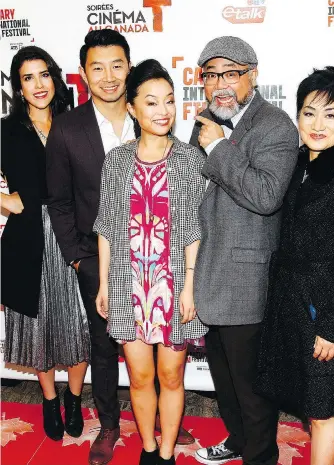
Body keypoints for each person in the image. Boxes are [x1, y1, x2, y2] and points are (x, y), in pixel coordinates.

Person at [255, 67, 334, 465]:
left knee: (324, 413)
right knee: (310, 408)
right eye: (309, 113)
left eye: (330, 114)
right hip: (290, 308)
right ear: (297, 116)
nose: (318, 124)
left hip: (324, 315)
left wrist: (332, 328)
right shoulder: (296, 167)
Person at [189, 36, 299, 465]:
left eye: (231, 74)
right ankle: (236, 441)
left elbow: (266, 195)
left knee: (252, 391)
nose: (220, 84)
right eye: (211, 74)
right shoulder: (203, 121)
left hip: (248, 278)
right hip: (209, 273)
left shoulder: (275, 125)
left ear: (253, 75)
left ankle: (260, 457)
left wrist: (218, 146)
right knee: (225, 381)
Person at [93, 58, 207, 465]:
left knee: (171, 376)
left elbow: (195, 230)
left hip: (174, 285)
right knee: (140, 378)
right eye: (152, 102)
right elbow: (105, 226)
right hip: (127, 285)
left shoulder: (190, 160)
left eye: (170, 101)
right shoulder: (116, 162)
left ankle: (167, 453)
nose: (163, 111)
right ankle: (147, 450)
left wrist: (191, 286)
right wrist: (105, 284)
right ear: (133, 108)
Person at [45, 30, 137, 465]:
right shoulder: (67, 128)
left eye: (116, 65)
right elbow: (59, 201)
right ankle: (110, 425)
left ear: (129, 67)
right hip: (95, 257)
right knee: (103, 345)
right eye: (97, 68)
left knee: (157, 342)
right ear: (82, 74)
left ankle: (158, 414)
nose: (108, 76)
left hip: (154, 251)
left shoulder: (149, 115)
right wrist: (79, 258)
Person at [1, 46, 90, 441]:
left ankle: (74, 399)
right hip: (29, 241)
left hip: (72, 234)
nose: (38, 85)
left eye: (44, 75)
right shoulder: (6, 129)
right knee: (38, 328)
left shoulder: (74, 124)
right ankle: (49, 400)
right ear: (18, 88)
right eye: (27, 78)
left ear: (55, 78)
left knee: (80, 323)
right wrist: (6, 200)